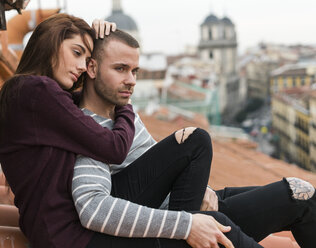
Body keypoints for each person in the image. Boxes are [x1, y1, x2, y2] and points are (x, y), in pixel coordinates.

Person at [72, 29, 316, 248]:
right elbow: (93, 206)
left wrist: (202, 187)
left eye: (134, 71)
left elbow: (157, 162)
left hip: (188, 201)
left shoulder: (123, 110)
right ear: (91, 68)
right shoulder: (85, 127)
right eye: (120, 69)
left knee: (303, 192)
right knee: (196, 139)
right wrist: (187, 224)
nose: (131, 80)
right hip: (171, 223)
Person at [0, 14, 136, 248]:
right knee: (194, 149)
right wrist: (125, 104)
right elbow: (115, 147)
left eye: (88, 59)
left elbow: (82, 99)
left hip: (60, 230)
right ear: (51, 42)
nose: (82, 66)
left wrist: (101, 39)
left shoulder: (26, 91)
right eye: (77, 52)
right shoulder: (38, 90)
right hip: (69, 237)